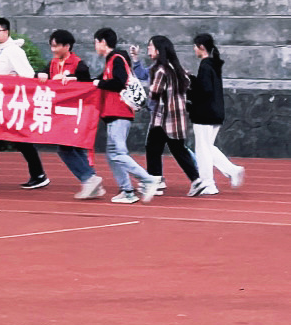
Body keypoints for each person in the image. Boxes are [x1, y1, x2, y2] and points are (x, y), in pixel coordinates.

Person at [0, 17, 49, 190]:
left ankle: (38, 174)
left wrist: (9, 80)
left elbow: (27, 75)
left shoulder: (14, 51)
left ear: (6, 32)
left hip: (12, 103)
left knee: (18, 138)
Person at [92, 27, 161, 203]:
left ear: (103, 42)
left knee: (117, 153)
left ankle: (148, 179)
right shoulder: (111, 61)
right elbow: (97, 80)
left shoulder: (116, 59)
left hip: (120, 113)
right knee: (112, 154)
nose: (95, 47)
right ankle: (127, 191)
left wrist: (99, 83)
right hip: (114, 114)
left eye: (96, 43)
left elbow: (118, 83)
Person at [43, 29, 105, 200]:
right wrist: (40, 75)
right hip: (60, 114)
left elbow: (88, 85)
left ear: (67, 46)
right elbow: (41, 76)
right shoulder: (52, 63)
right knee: (74, 148)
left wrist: (74, 79)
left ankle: (89, 178)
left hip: (77, 113)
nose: (53, 50)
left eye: (56, 46)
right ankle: (91, 182)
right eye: (52, 46)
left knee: (65, 149)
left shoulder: (79, 65)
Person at [188, 33, 245, 197]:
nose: (194, 49)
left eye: (195, 46)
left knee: (202, 149)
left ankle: (208, 183)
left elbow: (204, 90)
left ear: (201, 47)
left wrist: (189, 89)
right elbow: (206, 87)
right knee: (207, 147)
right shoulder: (213, 65)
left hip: (204, 114)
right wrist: (192, 78)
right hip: (215, 112)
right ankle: (232, 170)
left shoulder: (205, 66)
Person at [143, 35, 199, 195]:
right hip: (177, 116)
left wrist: (143, 99)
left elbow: (155, 92)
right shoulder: (176, 68)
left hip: (163, 117)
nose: (148, 49)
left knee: (154, 148)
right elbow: (188, 83)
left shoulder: (161, 70)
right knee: (175, 149)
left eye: (150, 46)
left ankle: (156, 181)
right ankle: (195, 179)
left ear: (159, 49)